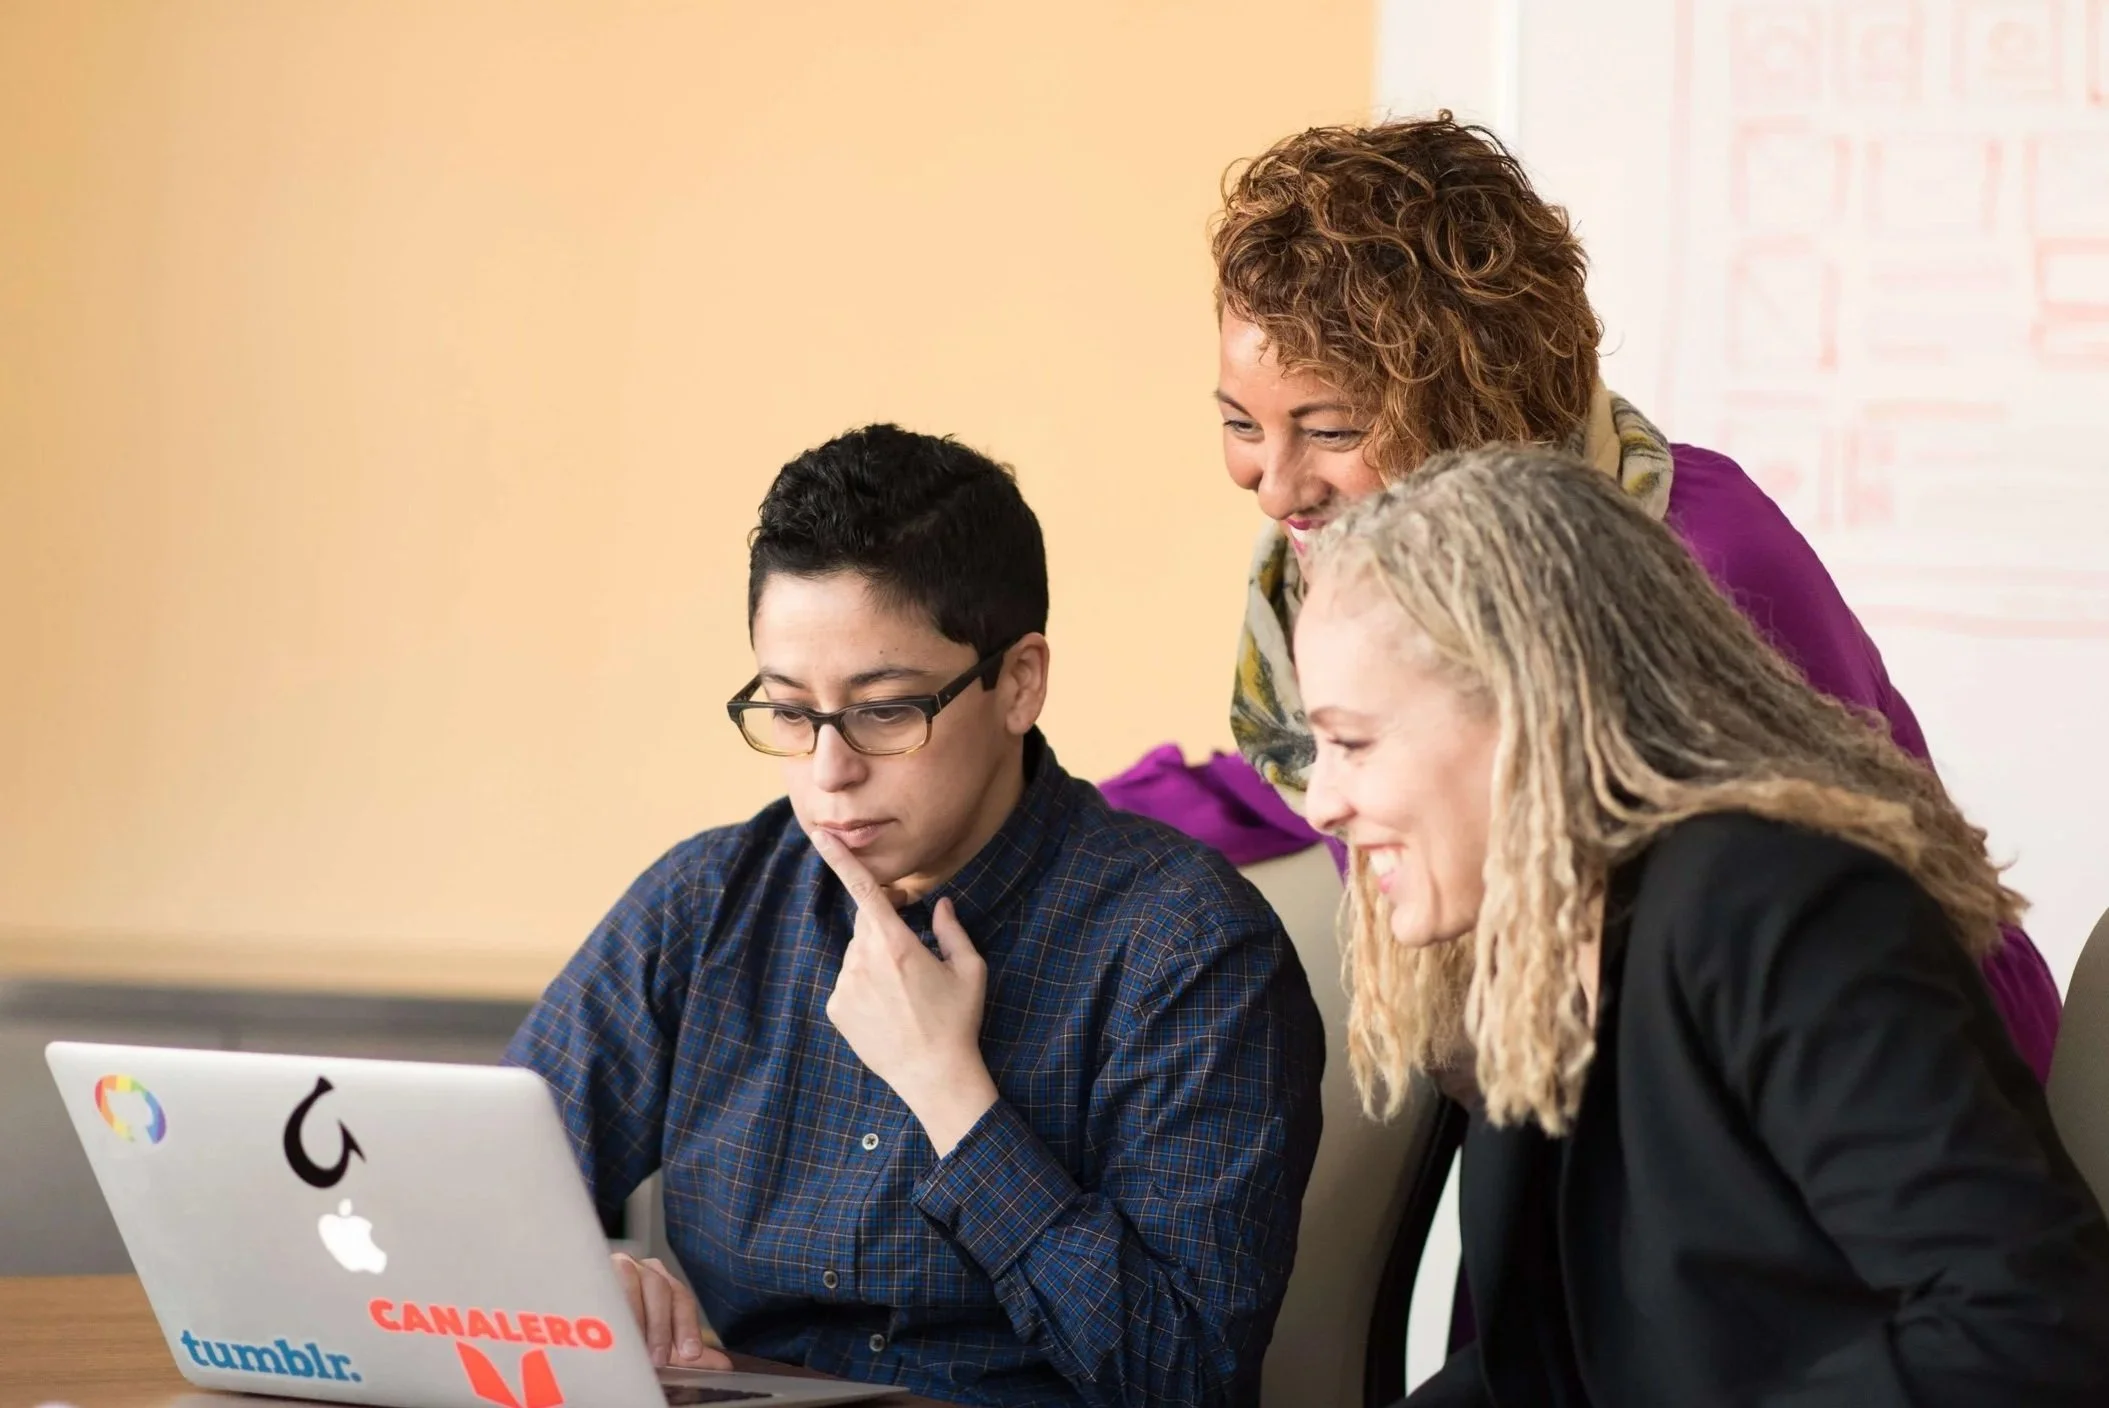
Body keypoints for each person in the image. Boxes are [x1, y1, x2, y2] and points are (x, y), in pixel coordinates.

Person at [1190, 113, 2065, 1077]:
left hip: (1890, 1085)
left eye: (1330, 431)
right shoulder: (1340, 577)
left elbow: (1826, 923)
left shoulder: (1697, 553)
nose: (1272, 488)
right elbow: (1357, 764)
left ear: (1468, 406)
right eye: (1240, 423)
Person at [505, 425, 1324, 1408]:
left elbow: (1183, 1377)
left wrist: (952, 1095)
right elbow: (478, 1189)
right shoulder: (709, 902)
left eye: (885, 710)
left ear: (1018, 681)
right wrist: (588, 1278)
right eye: (789, 712)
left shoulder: (1183, 947)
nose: (828, 770)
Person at [1292, 444, 2109, 1407]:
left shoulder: (1780, 907)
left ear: (1528, 707)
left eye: (1350, 742)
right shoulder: (1543, 947)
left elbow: (2025, 1322)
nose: (1319, 801)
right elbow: (1546, 1376)